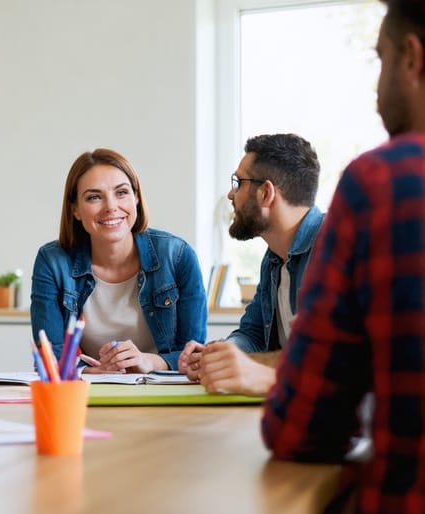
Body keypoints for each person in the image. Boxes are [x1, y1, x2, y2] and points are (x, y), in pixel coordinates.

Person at [262, 1, 425, 511]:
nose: (378, 90)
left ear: (412, 58)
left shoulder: (384, 184)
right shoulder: (273, 263)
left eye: (381, 60)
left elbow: (306, 426)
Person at [30, 148, 207, 372]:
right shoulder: (52, 261)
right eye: (94, 197)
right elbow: (49, 358)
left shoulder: (178, 256)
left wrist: (146, 361)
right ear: (75, 209)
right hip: (91, 391)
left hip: (163, 391)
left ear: (137, 197)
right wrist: (93, 371)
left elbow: (192, 356)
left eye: (121, 192)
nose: (111, 207)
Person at [177, 134, 323, 396]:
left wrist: (240, 364)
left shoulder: (334, 248)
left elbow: (324, 353)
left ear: (266, 192)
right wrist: (221, 353)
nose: (231, 194)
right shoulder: (274, 256)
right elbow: (253, 334)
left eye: (239, 182)